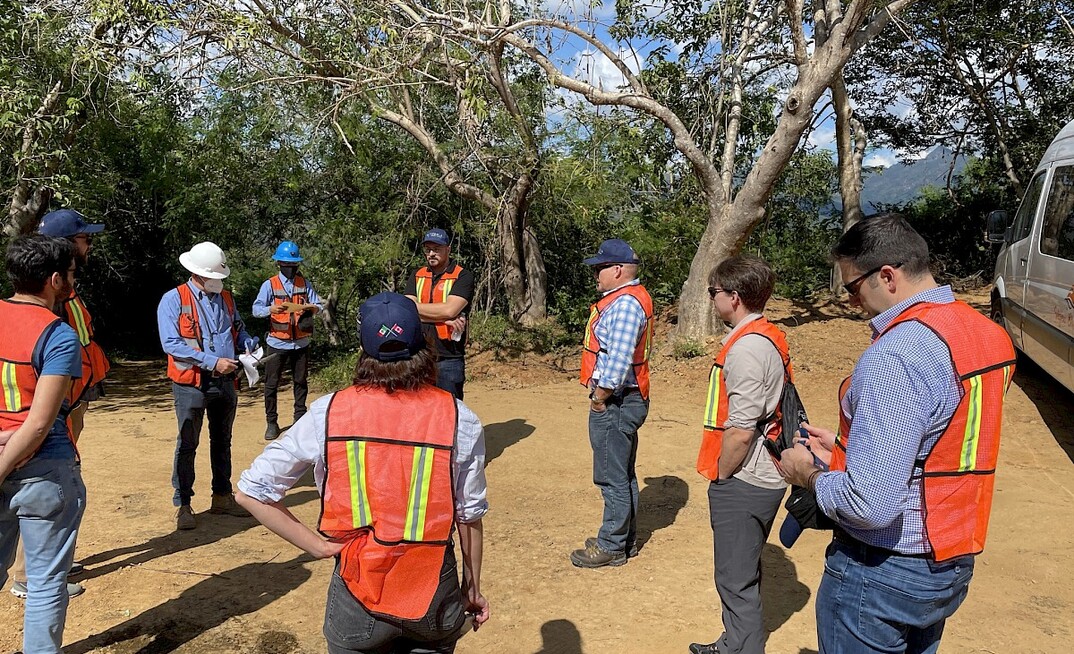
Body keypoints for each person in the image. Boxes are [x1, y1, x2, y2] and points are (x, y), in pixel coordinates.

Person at [779, 215, 1017, 654]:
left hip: (884, 569)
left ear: (886, 276)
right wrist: (850, 446)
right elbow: (942, 435)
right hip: (951, 554)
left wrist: (806, 475)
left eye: (852, 288)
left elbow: (870, 505)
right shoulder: (988, 335)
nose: (851, 302)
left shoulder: (896, 356)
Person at [236, 291, 490, 654]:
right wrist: (472, 587)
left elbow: (250, 491)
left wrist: (318, 547)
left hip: (357, 594)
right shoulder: (458, 418)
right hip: (433, 592)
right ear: (423, 341)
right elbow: (469, 515)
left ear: (364, 348)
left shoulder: (329, 411)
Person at [690, 256, 790, 654]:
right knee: (742, 571)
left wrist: (722, 475)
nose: (712, 301)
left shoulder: (745, 349)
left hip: (745, 479)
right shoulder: (765, 336)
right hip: (762, 476)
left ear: (733, 297)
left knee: (735, 579)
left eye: (713, 293)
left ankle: (742, 648)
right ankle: (735, 642)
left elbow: (741, 429)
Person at [7, 209, 108, 602]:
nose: (89, 244)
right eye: (84, 238)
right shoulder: (49, 296)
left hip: (69, 400)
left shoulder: (65, 288)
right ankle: (30, 574)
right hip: (51, 409)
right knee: (44, 482)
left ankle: (50, 560)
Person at [0, 234, 87, 653]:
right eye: (70, 274)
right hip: (43, 471)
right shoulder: (59, 336)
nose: (73, 280)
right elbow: (38, 425)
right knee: (46, 583)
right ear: (54, 280)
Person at [157, 241, 258, 530]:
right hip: (191, 384)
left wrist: (247, 344)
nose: (219, 281)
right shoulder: (173, 300)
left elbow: (237, 328)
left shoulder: (226, 298)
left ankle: (222, 496)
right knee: (188, 443)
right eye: (215, 276)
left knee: (222, 440)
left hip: (225, 381)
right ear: (198, 274)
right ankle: (184, 504)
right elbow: (171, 344)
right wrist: (212, 362)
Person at [571, 238, 653, 568]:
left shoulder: (624, 306)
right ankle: (625, 538)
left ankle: (612, 544)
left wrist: (599, 399)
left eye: (600, 268)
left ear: (618, 270)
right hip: (624, 399)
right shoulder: (627, 300)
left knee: (611, 477)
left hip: (616, 400)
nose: (596, 274)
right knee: (623, 474)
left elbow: (617, 362)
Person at [251, 241, 323, 441]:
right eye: (286, 264)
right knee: (271, 383)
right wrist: (270, 310)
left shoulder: (304, 283)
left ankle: (299, 418)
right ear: (279, 263)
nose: (290, 268)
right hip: (277, 342)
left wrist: (313, 308)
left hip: (301, 342)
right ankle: (272, 422)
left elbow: (319, 305)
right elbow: (256, 310)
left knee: (301, 381)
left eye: (293, 264)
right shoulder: (270, 285)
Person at [404, 228, 474, 399]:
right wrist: (444, 319)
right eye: (428, 249)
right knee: (421, 410)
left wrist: (444, 313)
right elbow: (406, 309)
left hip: (449, 357)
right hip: (419, 355)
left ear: (448, 250)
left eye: (437, 249)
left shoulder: (463, 276)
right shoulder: (417, 275)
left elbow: (451, 309)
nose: (431, 253)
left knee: (451, 408)